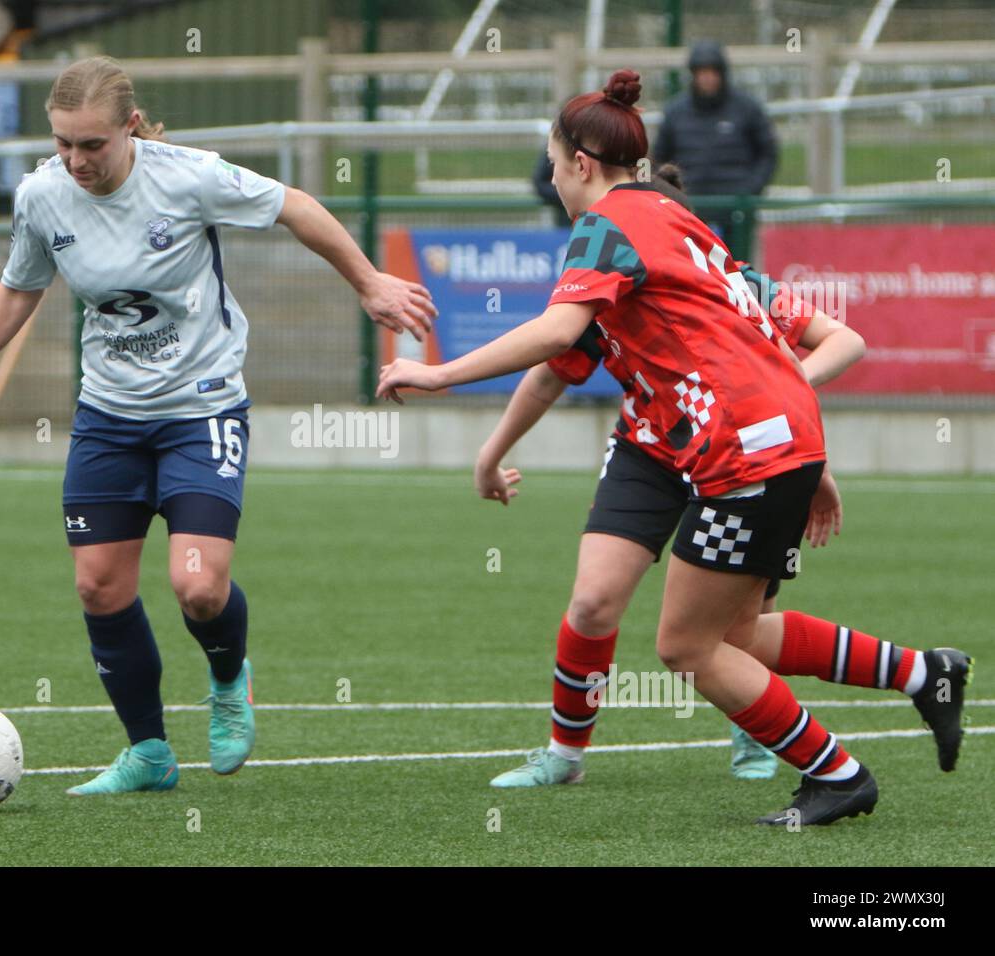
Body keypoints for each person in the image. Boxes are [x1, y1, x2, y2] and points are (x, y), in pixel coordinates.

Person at [378, 70, 970, 825]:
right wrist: (804, 446)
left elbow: (560, 334)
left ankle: (835, 771)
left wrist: (438, 373)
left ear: (581, 165)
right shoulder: (675, 219)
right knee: (722, 633)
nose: (555, 182)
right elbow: (705, 349)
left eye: (555, 167)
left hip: (738, 456)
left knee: (688, 646)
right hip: (745, 447)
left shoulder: (607, 228)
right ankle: (923, 675)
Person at [0, 56, 436, 794]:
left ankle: (229, 677)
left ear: (131, 128)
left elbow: (296, 205)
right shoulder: (42, 195)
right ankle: (148, 754)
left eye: (92, 145)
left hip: (201, 408)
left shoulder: (189, 176)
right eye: (64, 144)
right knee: (99, 588)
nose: (77, 161)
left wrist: (370, 283)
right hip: (108, 417)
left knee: (197, 587)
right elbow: (18, 287)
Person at [476, 163, 961, 785]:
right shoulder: (613, 275)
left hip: (741, 455)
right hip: (652, 452)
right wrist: (492, 452)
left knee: (728, 636)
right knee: (596, 602)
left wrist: (809, 457)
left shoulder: (729, 283)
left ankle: (798, 728)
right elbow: (549, 370)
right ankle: (565, 756)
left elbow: (823, 352)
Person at [654, 40, 778, 256]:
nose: (707, 78)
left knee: (738, 272)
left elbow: (768, 153)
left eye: (712, 72)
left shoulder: (746, 109)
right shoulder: (675, 113)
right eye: (702, 72)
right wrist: (673, 195)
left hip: (735, 216)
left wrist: (750, 191)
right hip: (689, 213)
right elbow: (660, 158)